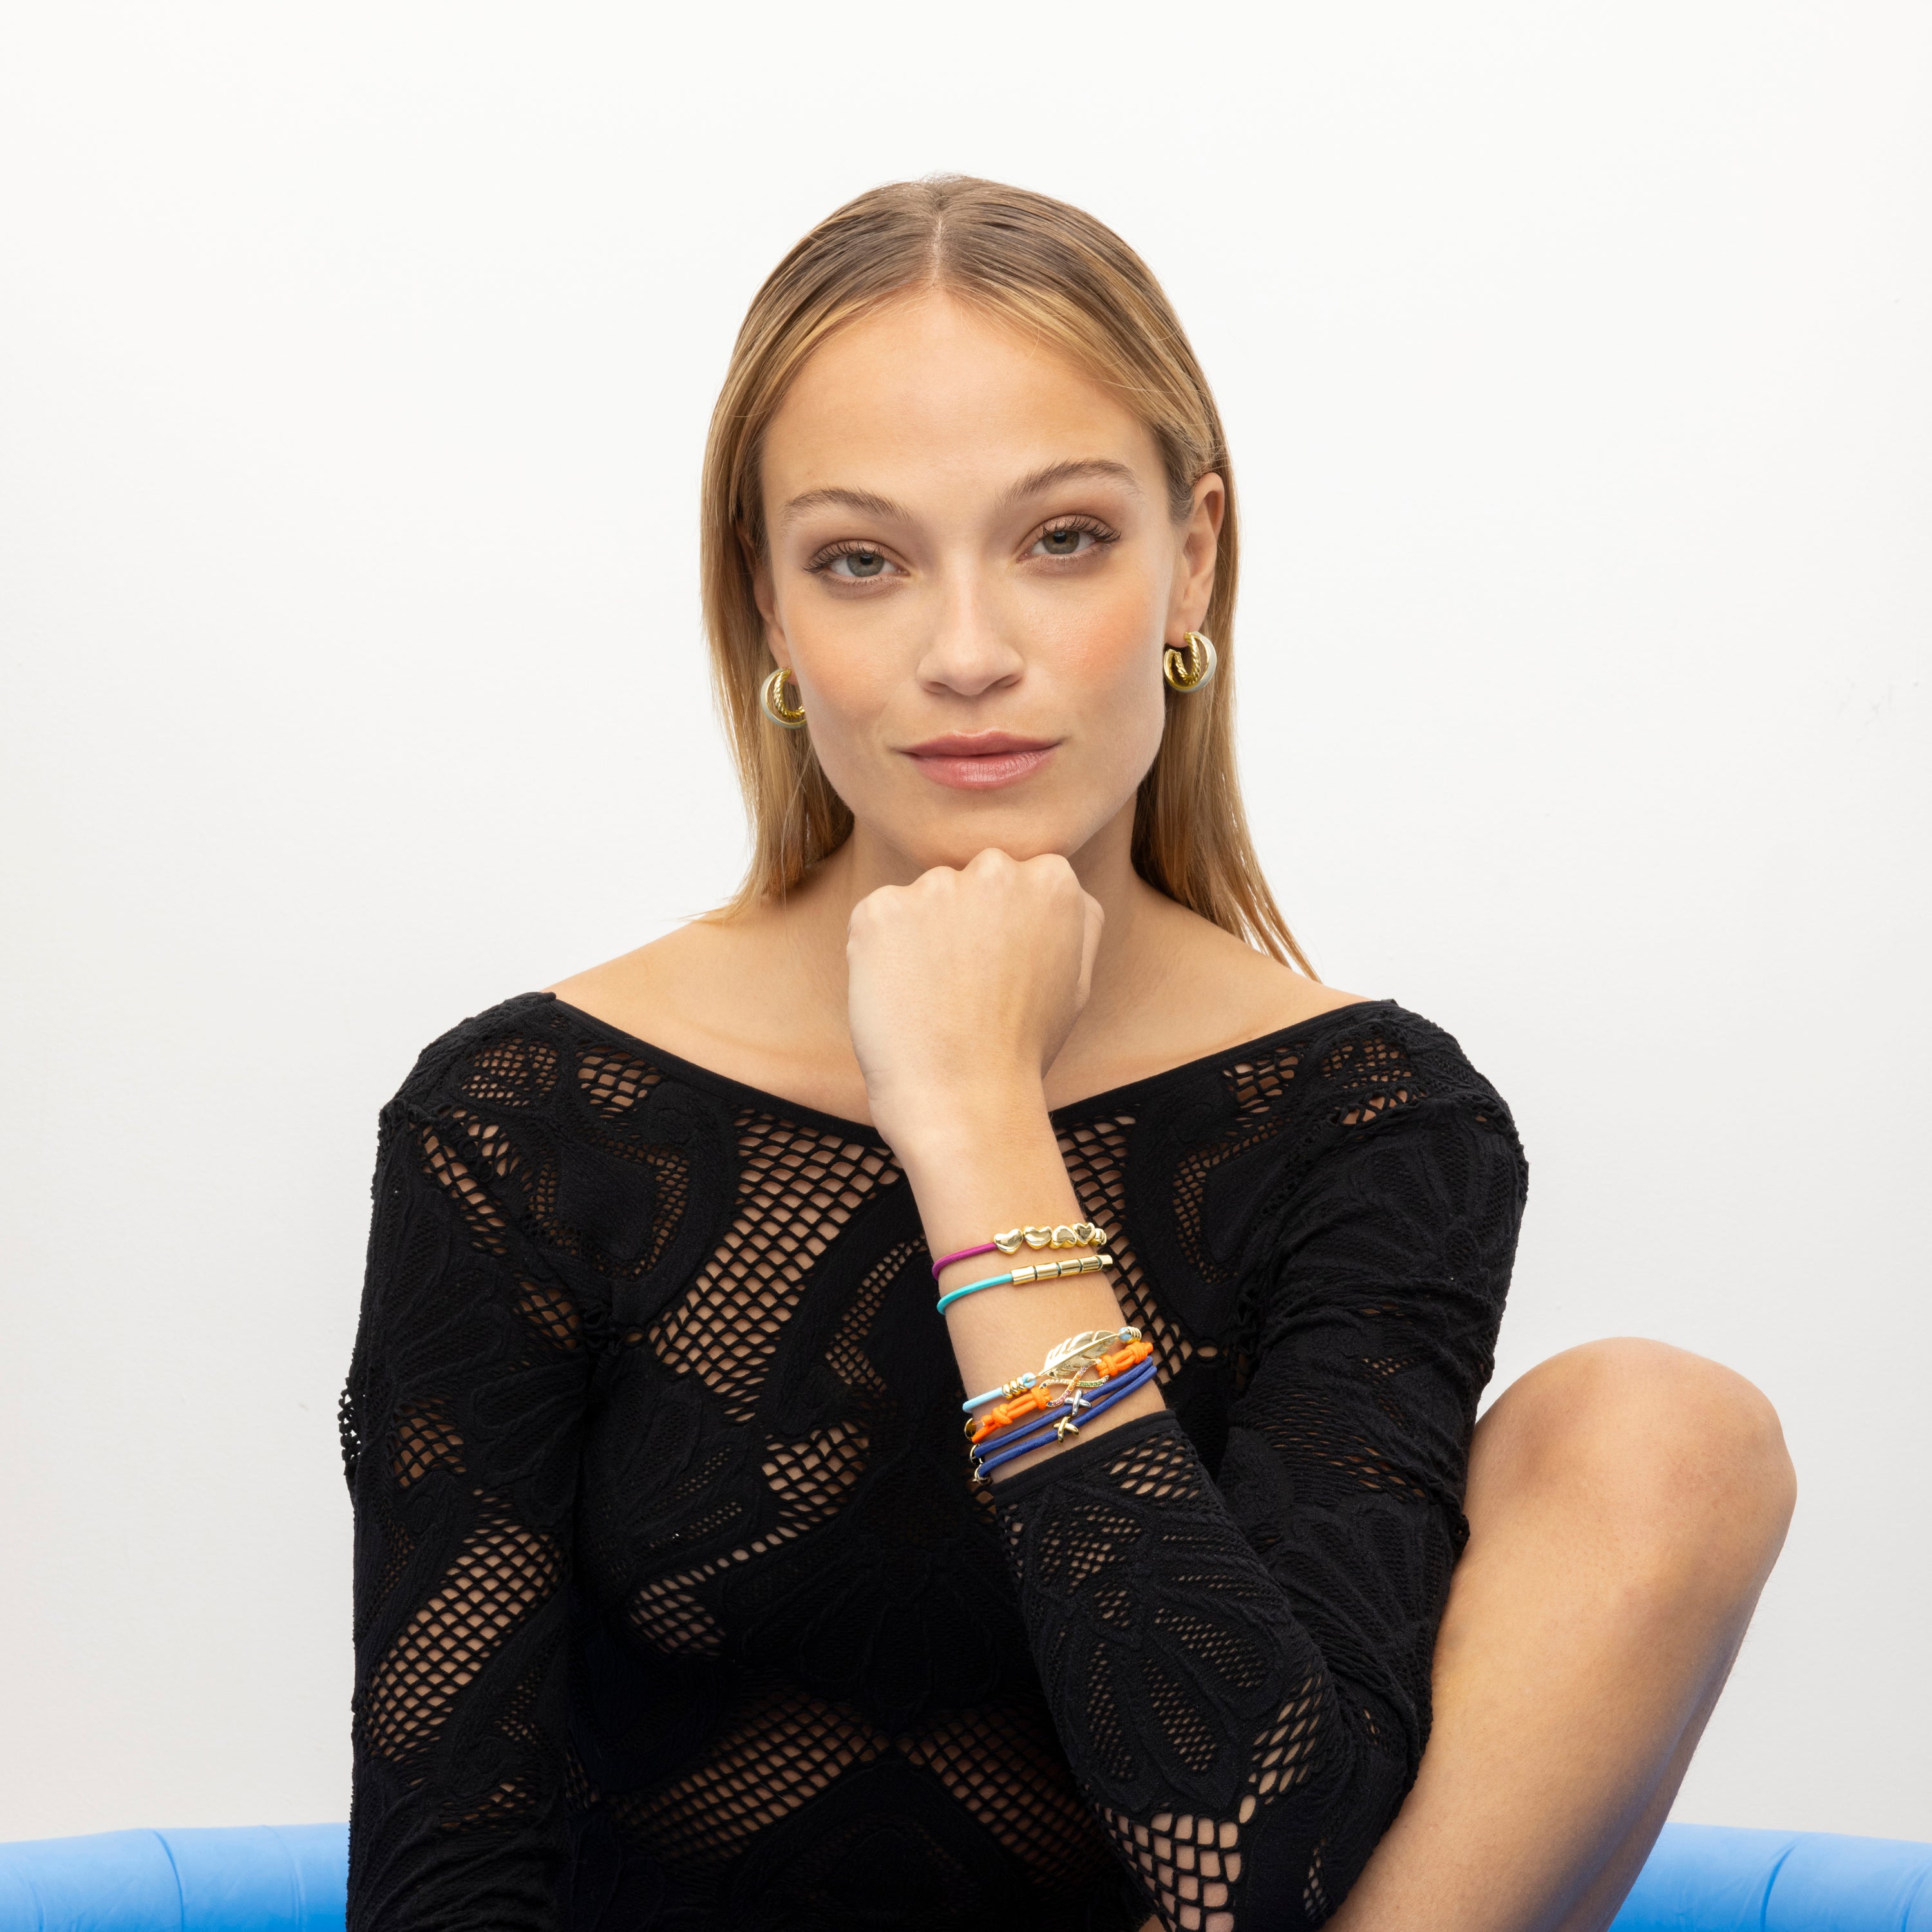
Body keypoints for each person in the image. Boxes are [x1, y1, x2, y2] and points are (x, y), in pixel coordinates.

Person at [339, 176, 1795, 1932]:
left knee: (1665, 1426)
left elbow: (1255, 1882)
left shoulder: (1369, 1126)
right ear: (768, 606)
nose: (968, 655)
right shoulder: (527, 1125)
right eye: (862, 560)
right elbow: (445, 1875)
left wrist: (971, 1122)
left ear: (1195, 557)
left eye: (1063, 539)